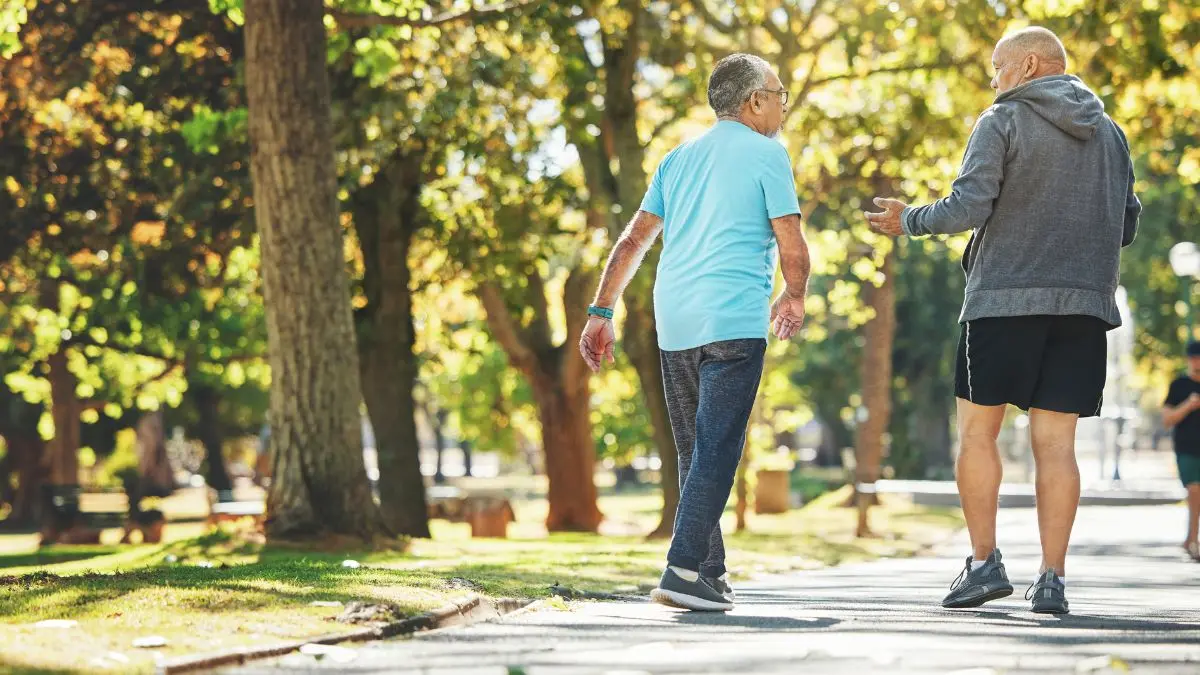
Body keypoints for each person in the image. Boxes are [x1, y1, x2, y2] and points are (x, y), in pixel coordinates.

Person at [864, 27, 1140, 614]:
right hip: (1083, 310)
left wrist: (909, 220)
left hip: (1002, 305)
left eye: (997, 68)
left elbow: (968, 206)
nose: (993, 81)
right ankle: (1053, 578)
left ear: (1029, 65)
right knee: (1057, 446)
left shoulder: (1003, 120)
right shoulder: (1111, 134)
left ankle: (984, 563)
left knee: (976, 435)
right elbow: (1127, 224)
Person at [578, 53, 810, 611]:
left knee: (694, 449)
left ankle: (709, 571)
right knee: (717, 447)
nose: (783, 106)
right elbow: (791, 240)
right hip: (732, 320)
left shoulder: (676, 159)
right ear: (754, 101)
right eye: (779, 95)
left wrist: (601, 311)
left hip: (676, 321)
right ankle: (681, 569)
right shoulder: (768, 155)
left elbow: (633, 241)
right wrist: (795, 294)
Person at [1163, 340, 1200, 562]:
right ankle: (1193, 540)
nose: (1197, 362)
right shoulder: (1178, 385)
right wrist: (1188, 405)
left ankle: (1190, 539)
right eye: (1193, 358)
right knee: (1194, 491)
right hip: (1186, 449)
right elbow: (1167, 419)